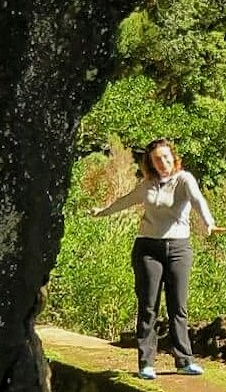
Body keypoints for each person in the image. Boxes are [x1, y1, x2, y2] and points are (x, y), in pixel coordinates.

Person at [92, 138, 217, 379]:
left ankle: (184, 360)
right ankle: (146, 363)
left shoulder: (184, 179)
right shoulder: (147, 184)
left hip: (179, 247)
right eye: (157, 159)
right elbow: (125, 200)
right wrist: (102, 212)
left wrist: (209, 222)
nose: (163, 163)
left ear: (173, 157)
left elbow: (198, 199)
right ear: (151, 163)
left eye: (166, 157)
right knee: (148, 305)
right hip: (148, 248)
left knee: (177, 306)